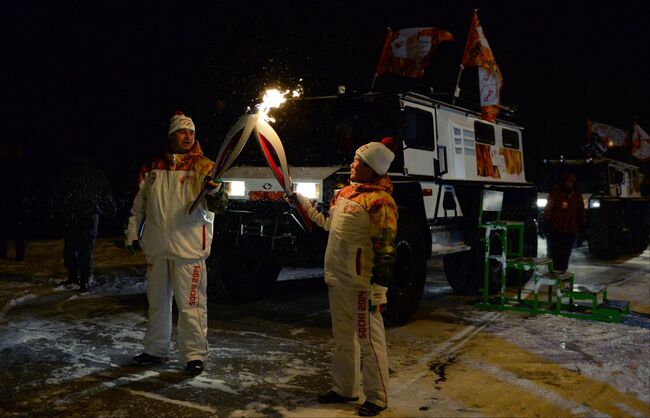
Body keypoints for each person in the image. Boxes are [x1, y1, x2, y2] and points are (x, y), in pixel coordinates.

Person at [294, 140, 397, 417]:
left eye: (359, 162)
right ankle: (345, 389)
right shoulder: (346, 194)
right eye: (354, 159)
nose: (353, 164)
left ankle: (377, 397)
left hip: (362, 286)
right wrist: (301, 202)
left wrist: (379, 289)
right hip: (337, 280)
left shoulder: (380, 202)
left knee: (369, 342)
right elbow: (327, 222)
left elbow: (386, 249)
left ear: (373, 168)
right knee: (342, 339)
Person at [125, 111, 228, 376]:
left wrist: (216, 191)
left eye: (191, 132)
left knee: (191, 305)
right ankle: (155, 350)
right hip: (157, 248)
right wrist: (132, 232)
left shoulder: (205, 166)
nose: (188, 136)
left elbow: (221, 205)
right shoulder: (152, 167)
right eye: (182, 132)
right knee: (157, 303)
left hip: (189, 248)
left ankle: (194, 355)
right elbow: (140, 205)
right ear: (171, 135)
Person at [51, 154, 116, 291]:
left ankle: (74, 276)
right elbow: (107, 194)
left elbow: (58, 194)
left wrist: (56, 210)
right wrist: (110, 209)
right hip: (90, 215)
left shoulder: (69, 175)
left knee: (70, 246)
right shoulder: (97, 175)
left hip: (72, 215)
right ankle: (84, 279)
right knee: (85, 249)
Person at [543, 172, 585, 272]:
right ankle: (553, 272)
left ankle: (562, 272)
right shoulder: (555, 194)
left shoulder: (577, 196)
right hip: (555, 230)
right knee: (553, 253)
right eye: (567, 181)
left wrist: (582, 227)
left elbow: (581, 212)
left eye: (571, 182)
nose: (569, 184)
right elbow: (548, 210)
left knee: (565, 254)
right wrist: (546, 224)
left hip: (570, 231)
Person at [0, 143, 26, 262]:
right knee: (17, 229)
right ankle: (19, 255)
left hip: (8, 199)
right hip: (16, 200)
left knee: (4, 228)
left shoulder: (4, 165)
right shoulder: (20, 166)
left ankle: (3, 254)